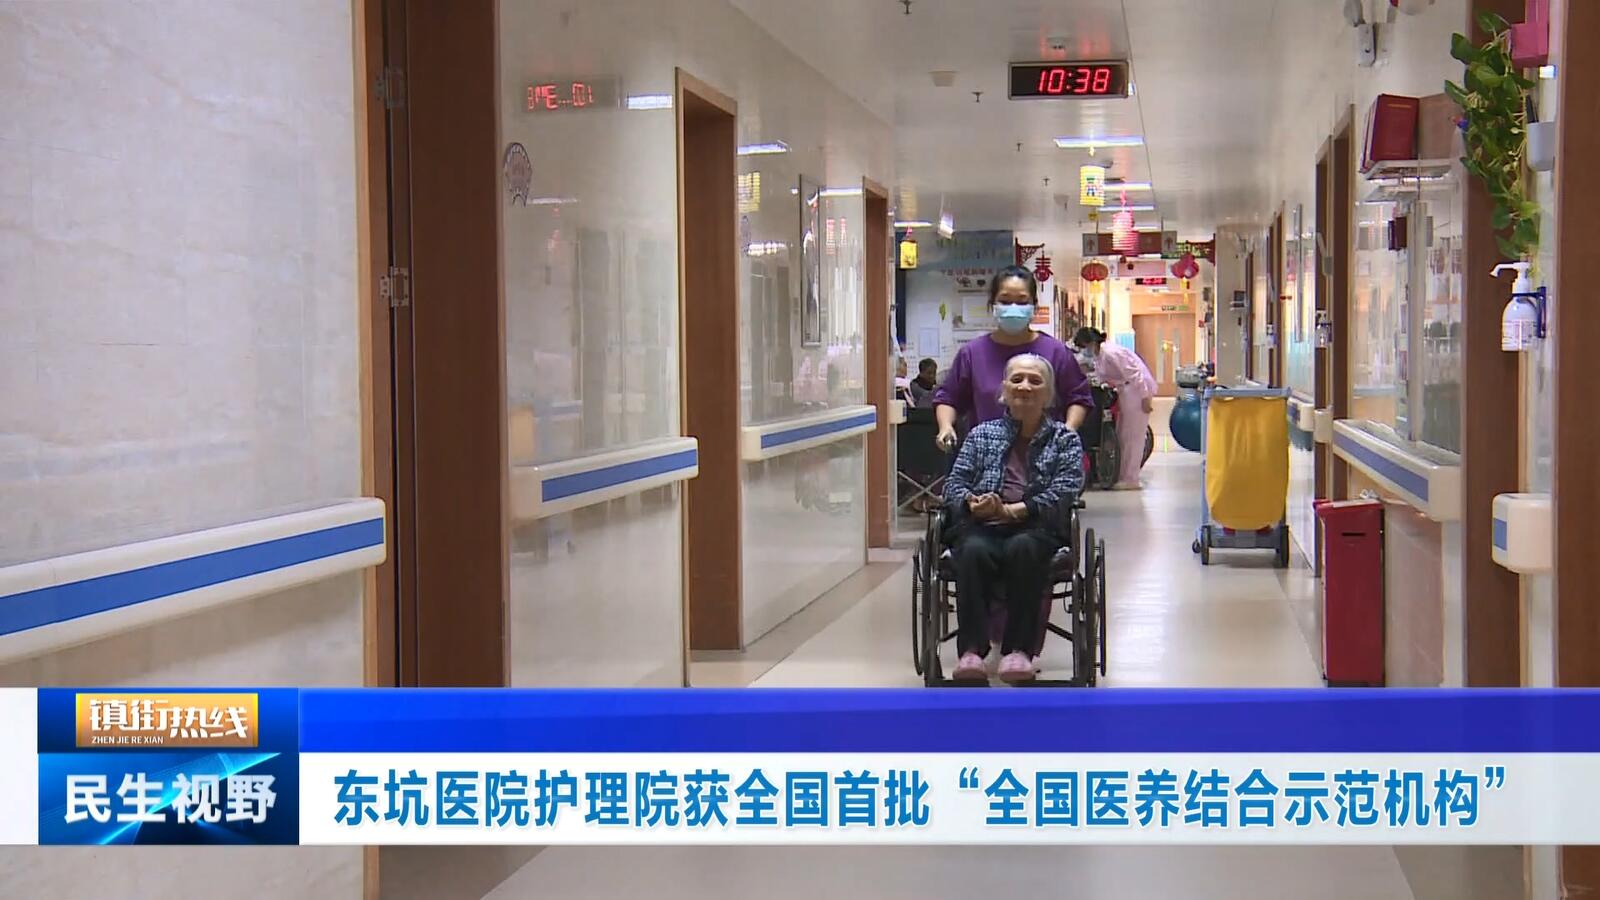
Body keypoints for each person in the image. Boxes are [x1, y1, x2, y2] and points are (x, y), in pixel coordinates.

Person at [943, 354, 1086, 684]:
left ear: (1048, 395)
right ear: (1003, 390)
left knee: (1024, 549)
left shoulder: (1064, 439)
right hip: (982, 525)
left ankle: (1019, 651)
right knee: (973, 551)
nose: (1025, 387)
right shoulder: (981, 434)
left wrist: (1019, 509)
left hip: (1036, 526)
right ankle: (972, 651)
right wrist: (972, 503)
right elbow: (954, 483)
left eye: (1035, 381)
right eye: (1017, 379)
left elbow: (1067, 488)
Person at [932, 266, 1093, 451]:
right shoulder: (972, 353)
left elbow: (1078, 398)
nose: (1013, 308)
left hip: (1045, 454)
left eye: (1022, 301)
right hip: (987, 455)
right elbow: (949, 398)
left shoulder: (1056, 352)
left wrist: (1068, 431)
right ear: (992, 305)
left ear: (1034, 306)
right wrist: (946, 427)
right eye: (1005, 301)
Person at [1073, 326, 1158, 490]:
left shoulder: (1111, 353)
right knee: (1123, 435)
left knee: (1133, 437)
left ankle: (1131, 479)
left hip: (1136, 390)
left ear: (1091, 343)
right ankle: (1123, 475)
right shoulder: (1100, 355)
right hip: (1125, 390)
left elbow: (1134, 373)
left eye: (1084, 346)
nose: (1083, 351)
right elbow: (1102, 374)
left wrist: (1145, 397)